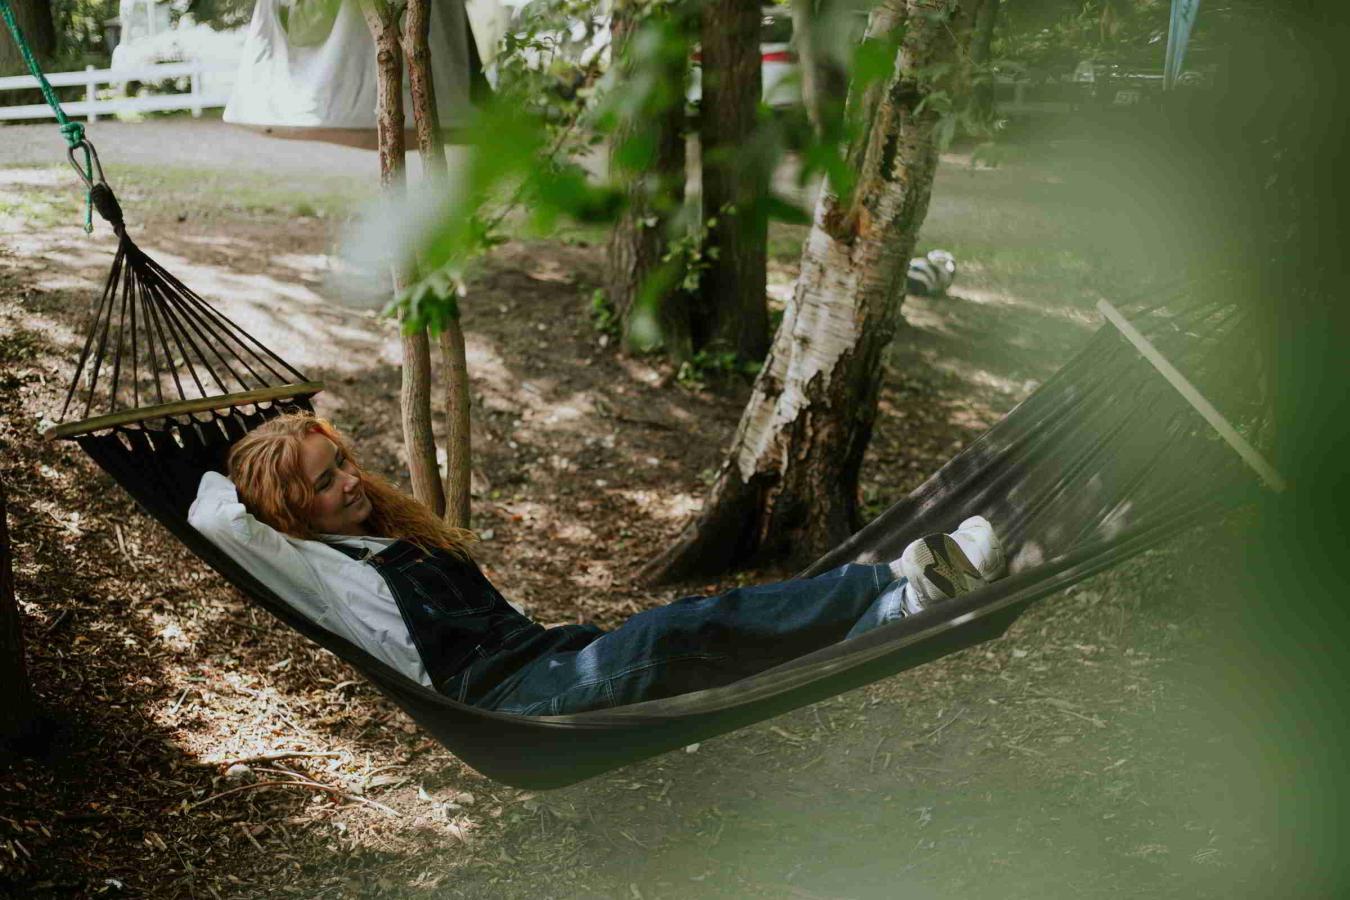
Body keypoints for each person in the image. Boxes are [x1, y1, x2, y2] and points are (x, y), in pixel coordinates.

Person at [189, 414, 1006, 716]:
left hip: (543, 660)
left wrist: (296, 450)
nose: (349, 482)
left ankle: (897, 605)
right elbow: (212, 512)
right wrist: (261, 468)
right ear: (290, 515)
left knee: (713, 640)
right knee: (677, 632)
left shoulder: (375, 535)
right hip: (508, 707)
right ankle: (893, 582)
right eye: (325, 483)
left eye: (343, 464)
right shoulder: (315, 569)